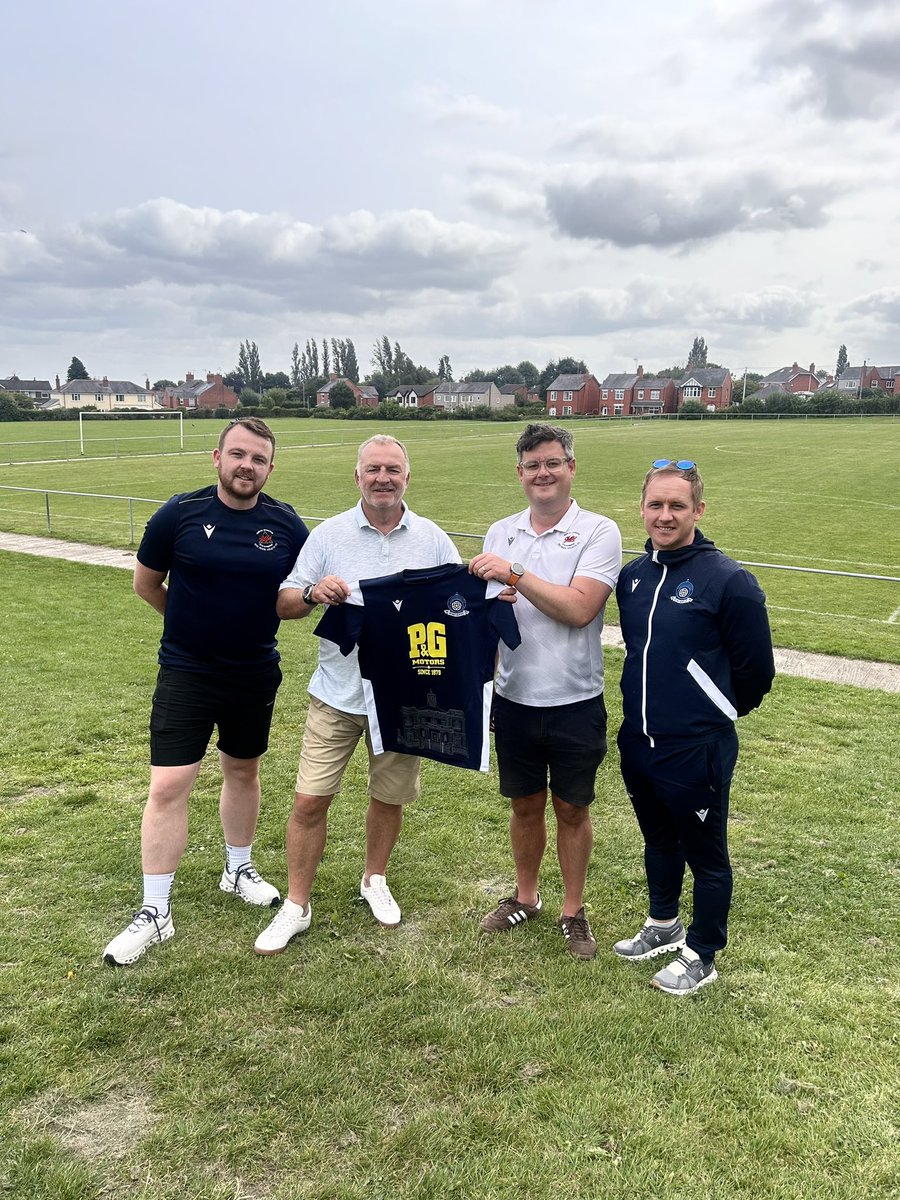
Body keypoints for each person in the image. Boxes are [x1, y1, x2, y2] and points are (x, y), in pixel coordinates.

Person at [103, 418, 309, 966]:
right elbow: (146, 583)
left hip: (254, 672)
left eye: (258, 458)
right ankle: (155, 911)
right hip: (187, 673)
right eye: (237, 454)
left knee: (243, 771)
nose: (247, 465)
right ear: (215, 457)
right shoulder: (180, 513)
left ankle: (236, 867)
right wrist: (189, 627)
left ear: (270, 467)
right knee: (170, 785)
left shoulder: (286, 524)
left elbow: (303, 591)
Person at [254, 434, 461, 955]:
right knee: (308, 800)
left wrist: (493, 592)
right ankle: (297, 905)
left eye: (393, 469)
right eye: (373, 469)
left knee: (388, 797)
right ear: (358, 477)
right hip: (337, 695)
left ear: (407, 478)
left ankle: (374, 878)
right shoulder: (328, 535)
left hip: (402, 696)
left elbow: (457, 602)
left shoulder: (433, 538)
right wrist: (311, 592)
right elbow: (283, 602)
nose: (383, 478)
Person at [613, 458, 774, 995]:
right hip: (638, 740)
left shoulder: (728, 580)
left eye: (676, 505)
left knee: (706, 852)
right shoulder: (633, 577)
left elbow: (756, 673)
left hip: (695, 746)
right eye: (655, 504)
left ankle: (703, 952)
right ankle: (663, 924)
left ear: (698, 510)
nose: (664, 515)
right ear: (642, 509)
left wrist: (713, 713)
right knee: (658, 838)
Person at [469, 423, 622, 960]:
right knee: (524, 805)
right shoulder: (499, 531)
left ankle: (573, 911)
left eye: (553, 462)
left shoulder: (599, 531)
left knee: (573, 809)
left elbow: (580, 610)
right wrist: (485, 689)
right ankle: (526, 897)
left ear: (571, 468)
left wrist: (515, 574)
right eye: (533, 465)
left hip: (575, 700)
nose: (543, 473)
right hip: (514, 699)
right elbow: (490, 620)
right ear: (520, 473)